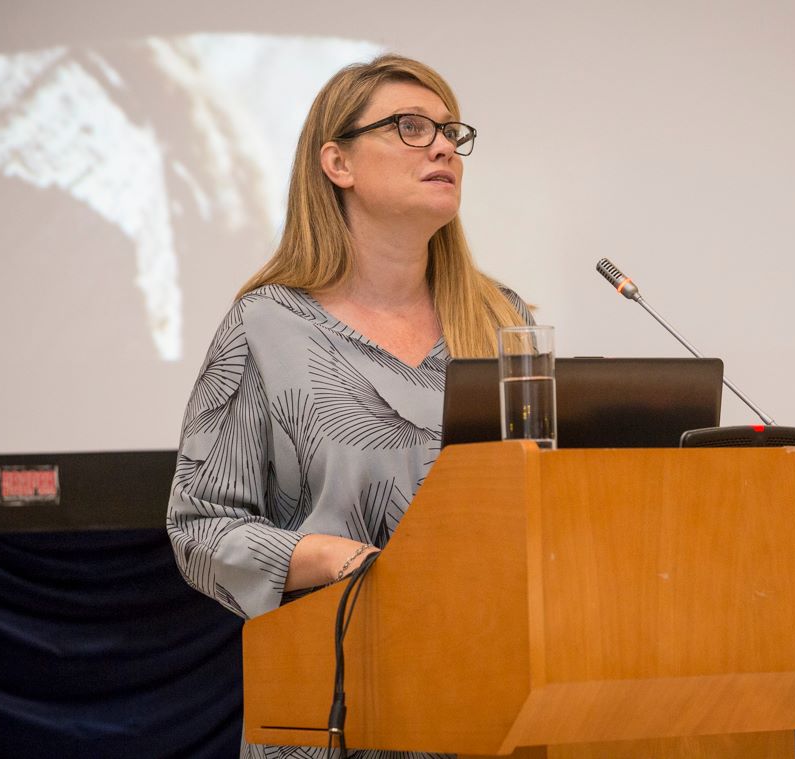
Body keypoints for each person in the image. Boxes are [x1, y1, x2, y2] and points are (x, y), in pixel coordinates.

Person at [166, 54, 532, 759]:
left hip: (489, 704)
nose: (442, 147)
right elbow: (199, 528)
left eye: (450, 131)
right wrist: (329, 556)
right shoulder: (267, 326)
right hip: (335, 709)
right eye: (410, 127)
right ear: (337, 162)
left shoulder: (501, 322)